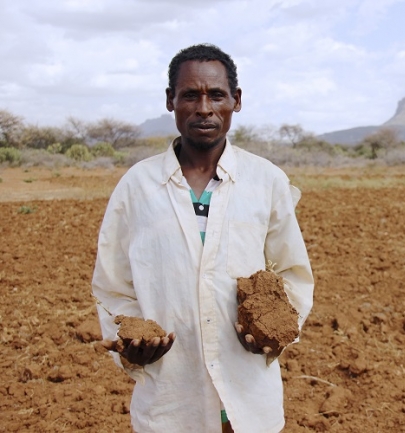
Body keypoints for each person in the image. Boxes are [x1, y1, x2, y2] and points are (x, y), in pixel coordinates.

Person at [92, 43, 314, 433]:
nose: (204, 108)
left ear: (236, 100)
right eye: (190, 95)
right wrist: (129, 342)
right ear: (170, 101)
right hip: (171, 401)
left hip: (248, 398)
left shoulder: (266, 181)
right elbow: (112, 284)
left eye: (216, 95)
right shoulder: (137, 186)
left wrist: (274, 334)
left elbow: (293, 273)